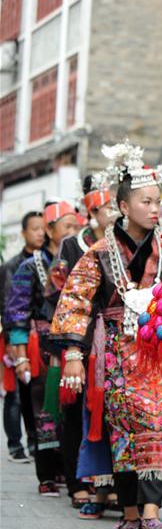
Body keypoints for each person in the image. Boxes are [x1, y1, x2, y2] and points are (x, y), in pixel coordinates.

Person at [51, 141, 162, 529]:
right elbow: (74, 300)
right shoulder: (99, 252)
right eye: (146, 201)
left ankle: (152, 515)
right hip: (117, 351)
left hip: (160, 350)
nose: (155, 208)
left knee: (160, 420)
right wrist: (73, 355)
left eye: (158, 201)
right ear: (124, 206)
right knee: (123, 428)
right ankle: (129, 514)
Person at [47, 175, 118, 518]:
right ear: (92, 212)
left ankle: (112, 486)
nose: (111, 211)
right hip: (81, 337)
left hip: (114, 338)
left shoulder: (122, 242)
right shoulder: (73, 245)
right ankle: (79, 483)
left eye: (113, 205)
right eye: (105, 207)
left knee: (113, 412)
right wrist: (68, 347)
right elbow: (62, 295)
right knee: (77, 410)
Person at [5, 202, 80, 496]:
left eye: (76, 226)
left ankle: (65, 466)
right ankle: (46, 472)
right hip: (41, 344)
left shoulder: (79, 259)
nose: (73, 232)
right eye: (67, 227)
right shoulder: (30, 265)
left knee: (69, 407)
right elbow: (17, 311)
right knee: (42, 409)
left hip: (71, 343)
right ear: (50, 231)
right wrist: (20, 354)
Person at [1, 211, 44, 464]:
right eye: (34, 228)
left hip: (40, 338)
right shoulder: (13, 266)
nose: (39, 233)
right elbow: (9, 307)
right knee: (16, 391)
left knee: (34, 392)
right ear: (24, 233)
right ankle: (15, 444)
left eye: (42, 228)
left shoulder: (51, 261)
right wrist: (11, 343)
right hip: (18, 338)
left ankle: (35, 440)